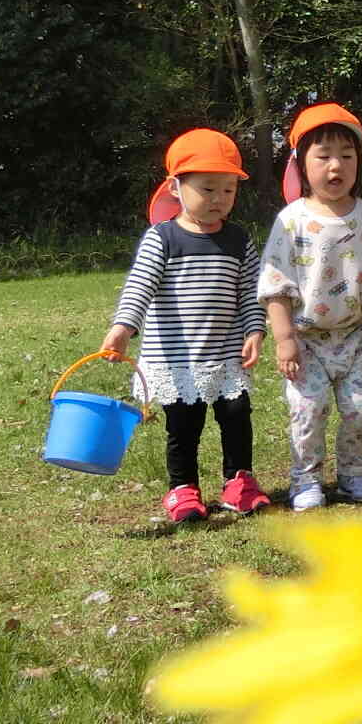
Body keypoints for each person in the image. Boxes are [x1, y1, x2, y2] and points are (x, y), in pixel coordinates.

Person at [102, 128, 267, 524]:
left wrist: (255, 331)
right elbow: (139, 286)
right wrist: (124, 328)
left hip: (225, 354)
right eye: (207, 189)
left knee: (237, 416)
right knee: (183, 427)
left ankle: (239, 482)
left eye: (228, 191)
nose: (218, 200)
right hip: (175, 358)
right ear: (176, 187)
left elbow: (251, 291)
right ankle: (183, 489)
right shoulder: (163, 239)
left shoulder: (237, 240)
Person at [257, 103, 362, 509]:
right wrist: (284, 338)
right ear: (300, 164)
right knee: (309, 410)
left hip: (354, 336)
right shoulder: (290, 221)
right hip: (305, 339)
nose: (335, 166)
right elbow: (275, 286)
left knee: (361, 408)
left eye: (346, 156)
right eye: (323, 156)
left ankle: (354, 472)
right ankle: (305, 479)